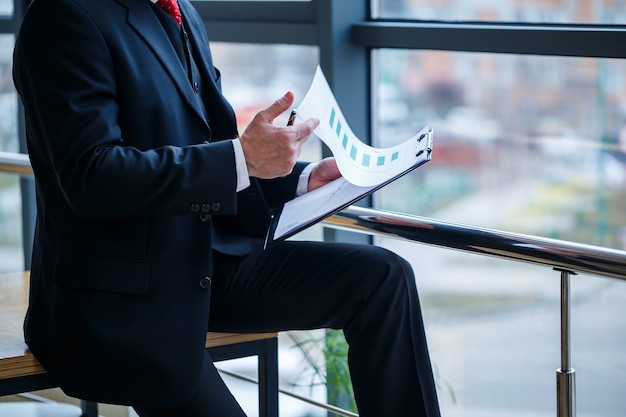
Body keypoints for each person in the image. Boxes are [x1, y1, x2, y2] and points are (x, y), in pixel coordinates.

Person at [12, 0, 441, 416]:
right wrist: (244, 158)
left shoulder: (182, 14)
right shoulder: (63, 14)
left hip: (202, 262)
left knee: (383, 278)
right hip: (120, 296)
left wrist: (302, 179)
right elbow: (92, 177)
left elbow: (215, 149)